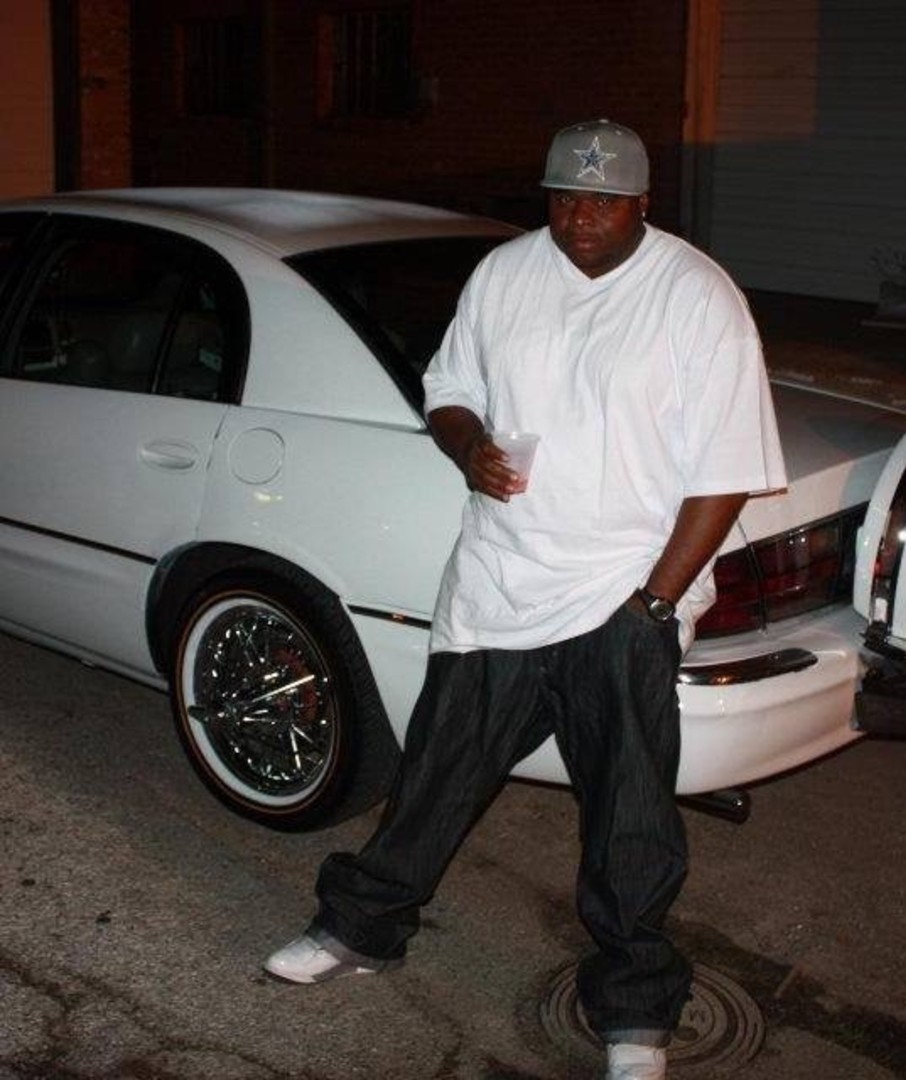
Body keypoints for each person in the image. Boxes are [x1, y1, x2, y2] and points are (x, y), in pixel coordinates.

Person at [264, 118, 786, 1080]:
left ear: (642, 203)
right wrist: (468, 447)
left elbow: (728, 474)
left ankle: (635, 1012)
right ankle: (360, 930)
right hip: (500, 581)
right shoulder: (505, 274)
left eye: (603, 202)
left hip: (621, 591)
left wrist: (654, 606)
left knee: (629, 816)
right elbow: (449, 388)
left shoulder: (695, 296)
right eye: (565, 198)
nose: (580, 218)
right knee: (436, 772)